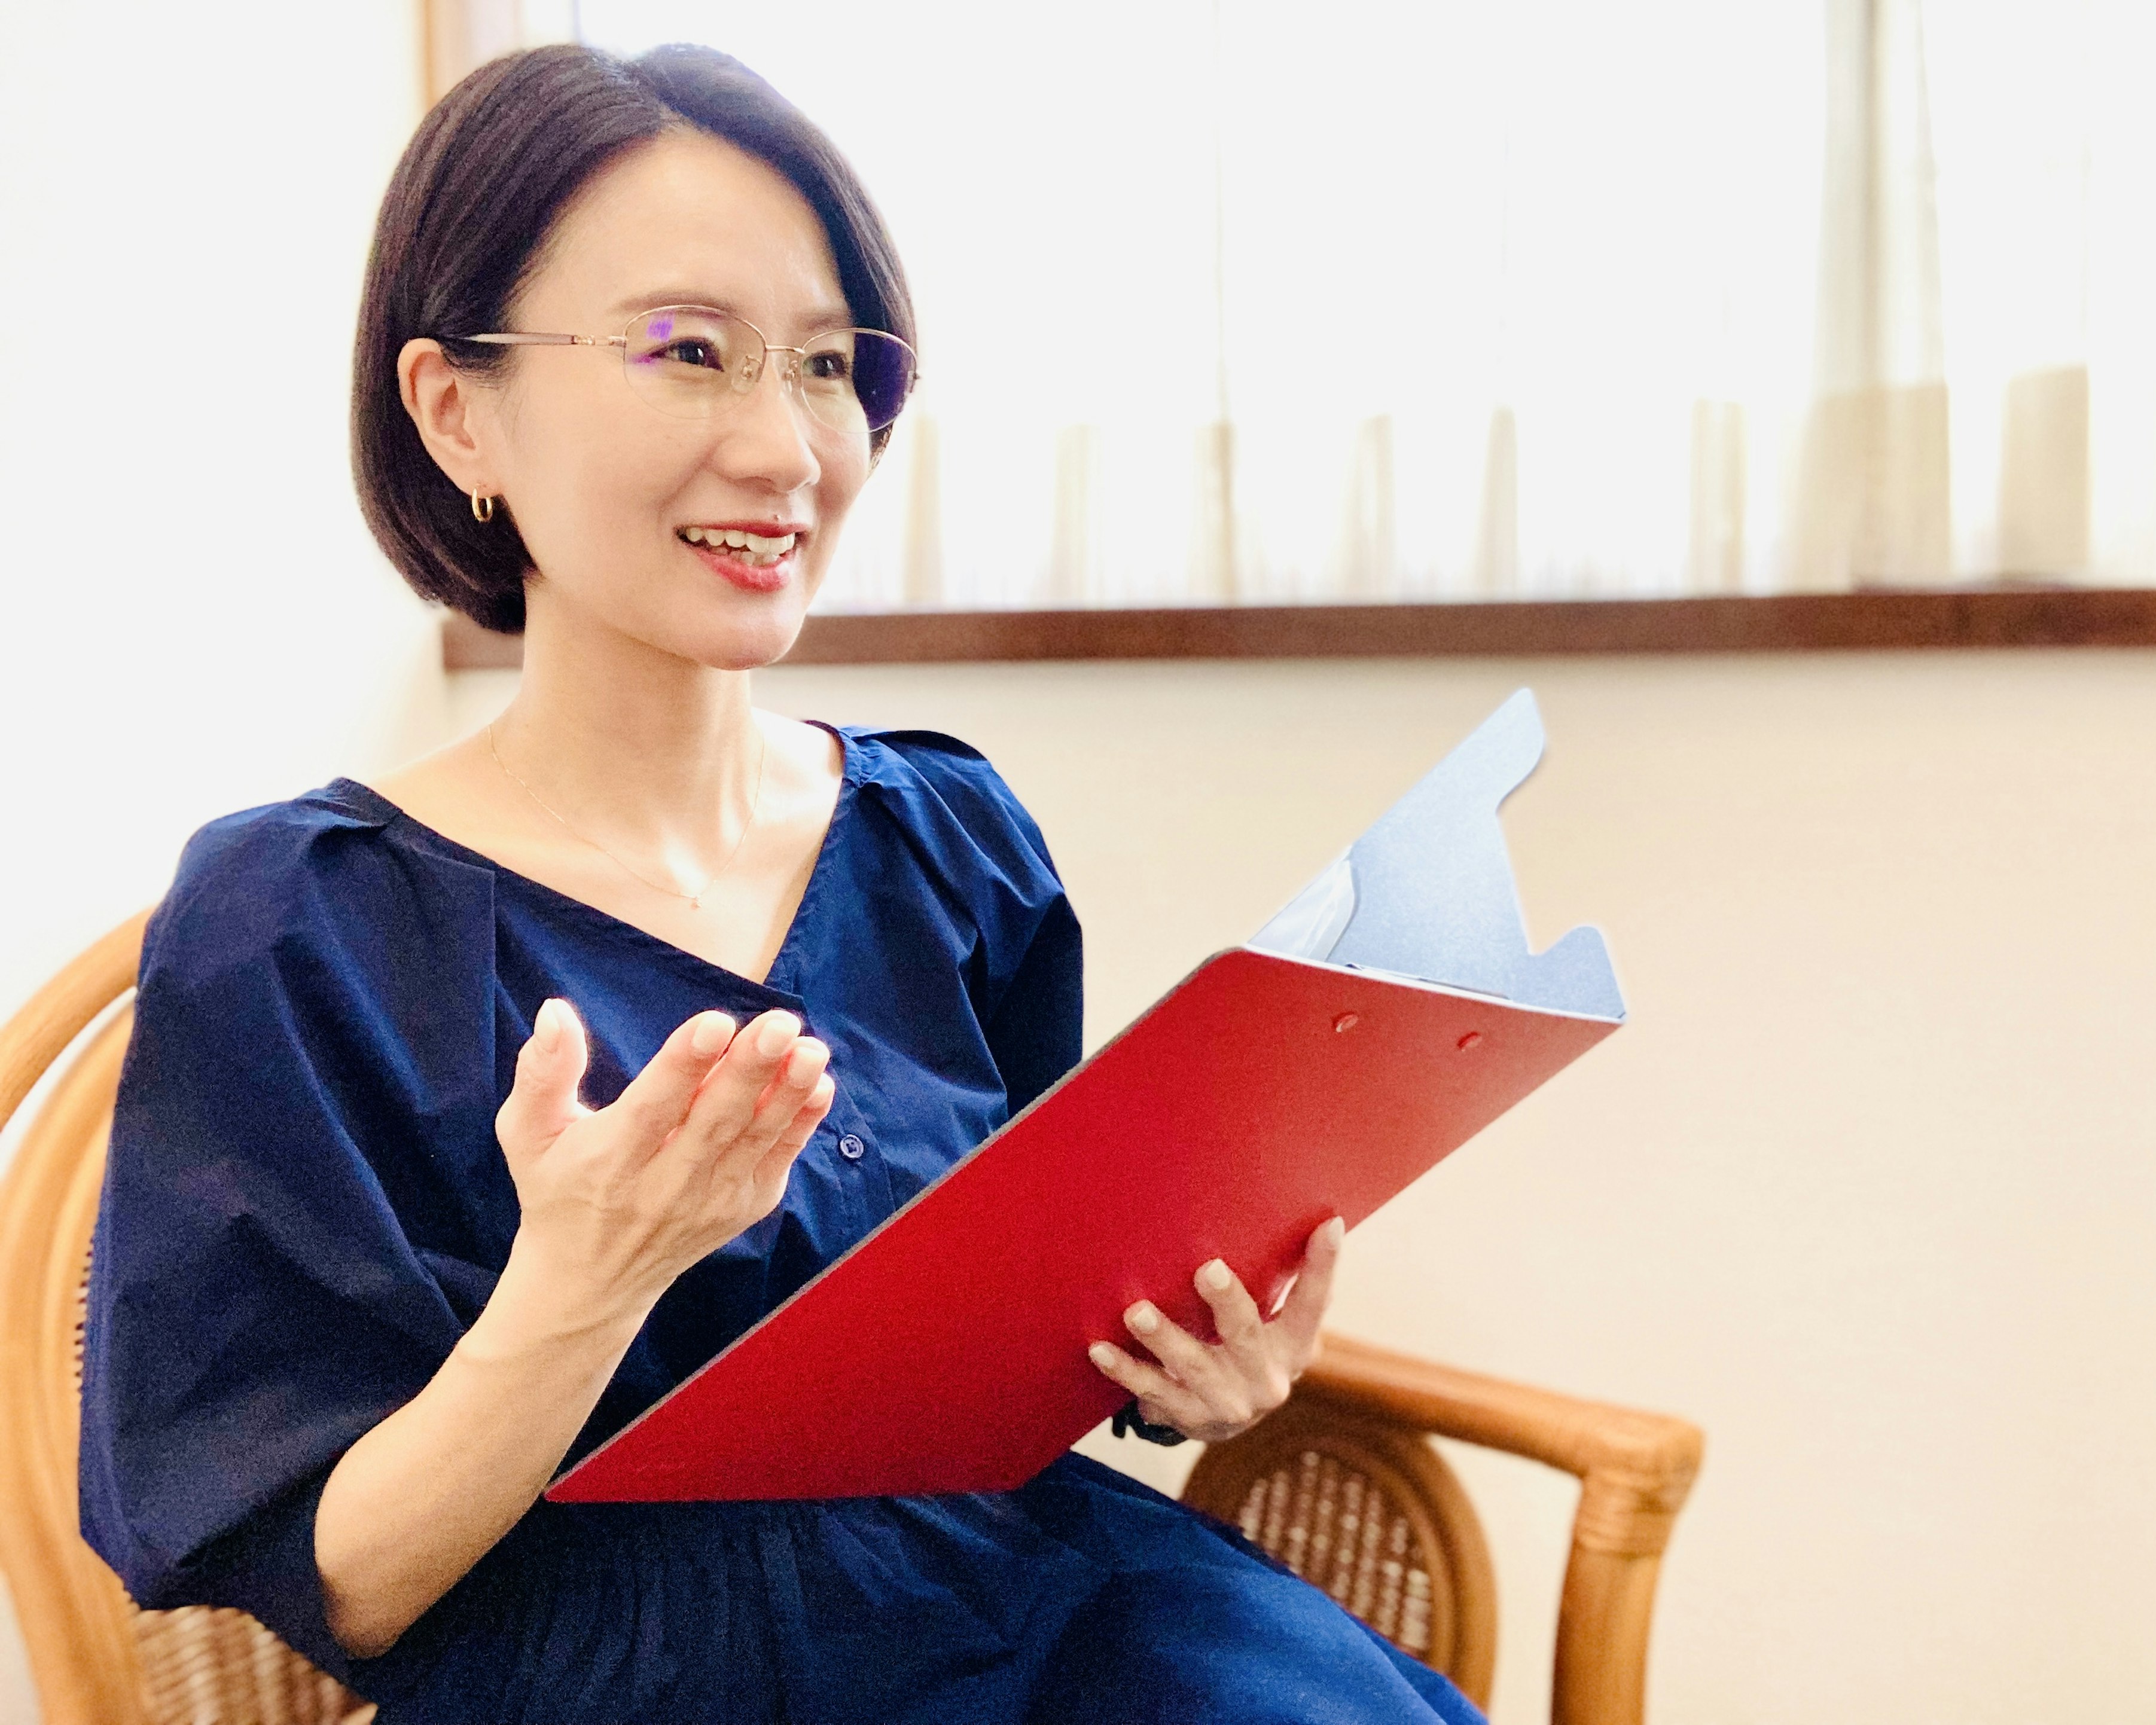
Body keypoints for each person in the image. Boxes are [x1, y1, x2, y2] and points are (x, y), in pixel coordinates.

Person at [78, 42, 1483, 1725]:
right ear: (457, 407)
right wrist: (584, 1286)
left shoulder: (944, 837)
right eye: (689, 353)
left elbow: (1038, 1308)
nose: (786, 448)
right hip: (621, 1681)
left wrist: (1189, 1369)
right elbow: (347, 1586)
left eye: (828, 364)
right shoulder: (293, 922)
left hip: (1047, 1612)